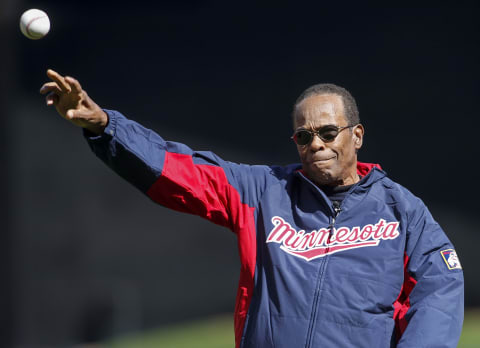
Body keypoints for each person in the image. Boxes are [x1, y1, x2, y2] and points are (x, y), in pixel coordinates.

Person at [40, 69, 464, 348]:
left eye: (328, 131)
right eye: (303, 136)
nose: (316, 143)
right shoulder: (265, 191)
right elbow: (180, 171)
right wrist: (106, 127)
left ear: (357, 135)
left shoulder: (401, 210)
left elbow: (439, 291)